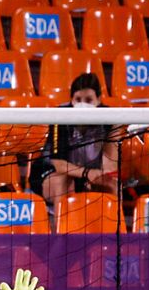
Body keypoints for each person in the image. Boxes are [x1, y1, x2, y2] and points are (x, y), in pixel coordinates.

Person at [32, 73, 120, 219]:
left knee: (112, 185)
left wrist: (101, 175)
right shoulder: (60, 117)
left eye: (88, 100)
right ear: (71, 100)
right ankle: (61, 234)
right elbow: (59, 164)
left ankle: (113, 233)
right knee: (64, 180)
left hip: (88, 174)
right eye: (77, 99)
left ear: (98, 100)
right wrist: (86, 174)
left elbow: (110, 164)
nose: (82, 104)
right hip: (51, 174)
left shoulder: (110, 118)